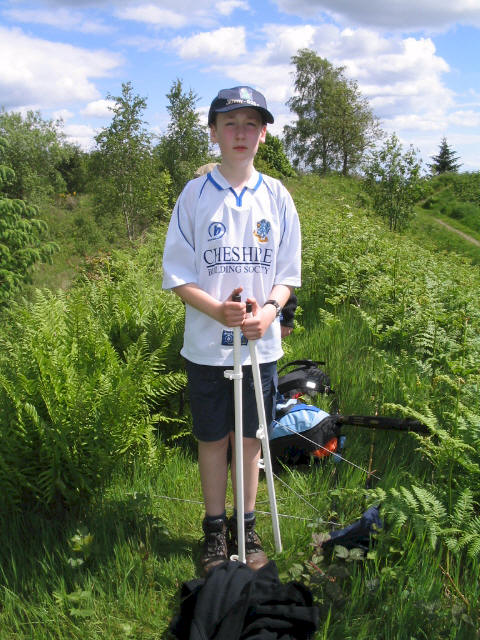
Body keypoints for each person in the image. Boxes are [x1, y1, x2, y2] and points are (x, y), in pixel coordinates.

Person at [162, 86, 301, 574]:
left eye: (250, 124)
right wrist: (215, 310)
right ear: (214, 132)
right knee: (213, 439)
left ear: (263, 134)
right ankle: (216, 532)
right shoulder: (195, 194)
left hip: (259, 349)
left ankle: (247, 525)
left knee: (250, 442)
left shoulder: (277, 196)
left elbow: (287, 273)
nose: (240, 133)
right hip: (207, 347)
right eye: (230, 123)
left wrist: (270, 310)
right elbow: (177, 274)